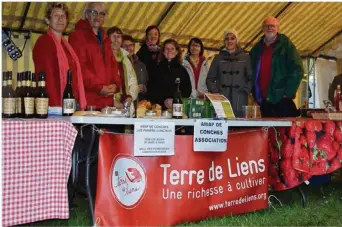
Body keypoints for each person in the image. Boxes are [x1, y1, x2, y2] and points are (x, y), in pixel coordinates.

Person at [33, 2, 86, 110]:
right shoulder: (44, 42)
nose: (60, 19)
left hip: (71, 101)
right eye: (56, 16)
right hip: (54, 104)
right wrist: (55, 107)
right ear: (48, 20)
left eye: (63, 16)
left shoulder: (66, 46)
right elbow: (48, 76)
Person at [69, 2, 120, 109]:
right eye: (93, 12)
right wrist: (99, 87)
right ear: (86, 14)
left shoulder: (105, 38)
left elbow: (113, 66)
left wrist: (115, 84)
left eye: (101, 14)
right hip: (88, 100)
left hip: (107, 101)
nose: (98, 17)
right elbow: (80, 67)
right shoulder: (77, 36)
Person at [250, 16, 303, 117]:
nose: (270, 28)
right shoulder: (256, 49)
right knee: (268, 131)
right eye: (267, 26)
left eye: (273, 26)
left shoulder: (286, 45)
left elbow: (297, 69)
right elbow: (249, 72)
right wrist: (254, 94)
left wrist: (288, 92)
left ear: (278, 28)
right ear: (262, 28)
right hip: (263, 101)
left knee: (284, 132)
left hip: (282, 100)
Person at [206, 30, 252, 118]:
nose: (229, 41)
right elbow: (210, 79)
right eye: (226, 39)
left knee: (239, 126)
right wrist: (216, 93)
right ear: (224, 41)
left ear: (237, 41)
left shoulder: (245, 58)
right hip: (222, 98)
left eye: (232, 38)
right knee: (222, 124)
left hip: (240, 98)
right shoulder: (218, 58)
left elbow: (251, 78)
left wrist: (245, 91)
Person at [148, 39, 192, 109]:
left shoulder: (182, 70)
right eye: (167, 49)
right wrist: (163, 102)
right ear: (163, 52)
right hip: (158, 109)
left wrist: (175, 101)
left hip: (177, 109)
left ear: (177, 51)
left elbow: (187, 91)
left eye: (172, 49)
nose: (169, 51)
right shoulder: (156, 69)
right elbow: (151, 90)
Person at [107, 27, 139, 106]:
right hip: (108, 103)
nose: (116, 39)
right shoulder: (103, 57)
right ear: (107, 39)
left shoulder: (125, 58)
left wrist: (130, 97)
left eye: (118, 36)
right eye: (113, 36)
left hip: (125, 103)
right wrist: (113, 101)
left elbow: (133, 81)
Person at [122, 35, 149, 101]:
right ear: (121, 47)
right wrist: (135, 89)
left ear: (134, 46)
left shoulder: (141, 65)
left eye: (130, 45)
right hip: (125, 101)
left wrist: (145, 88)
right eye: (125, 46)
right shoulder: (120, 63)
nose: (128, 48)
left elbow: (147, 81)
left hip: (140, 102)